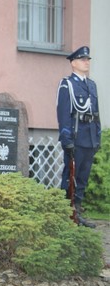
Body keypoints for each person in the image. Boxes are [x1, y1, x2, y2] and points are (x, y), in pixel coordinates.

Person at [56, 46, 101, 228]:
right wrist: (66, 139)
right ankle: (64, 212)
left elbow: (96, 113)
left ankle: (78, 211)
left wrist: (97, 137)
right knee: (70, 177)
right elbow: (63, 113)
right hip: (76, 137)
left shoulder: (91, 85)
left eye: (88, 59)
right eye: (83, 60)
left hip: (89, 137)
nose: (87, 62)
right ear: (73, 63)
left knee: (82, 177)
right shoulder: (67, 84)